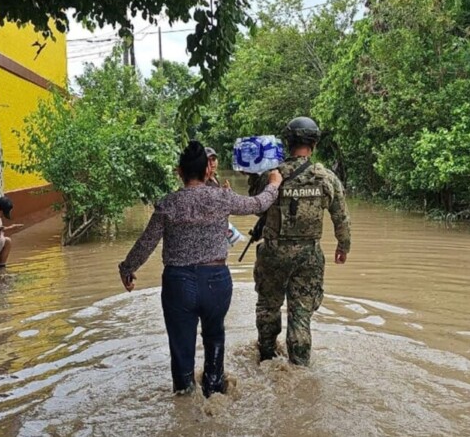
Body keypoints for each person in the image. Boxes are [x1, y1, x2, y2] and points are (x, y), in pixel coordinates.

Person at [118, 141, 283, 397]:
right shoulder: (222, 198)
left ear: (179, 172)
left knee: (181, 346)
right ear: (208, 171)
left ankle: (183, 396)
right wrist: (273, 184)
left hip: (178, 285)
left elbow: (146, 243)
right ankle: (214, 388)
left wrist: (127, 269)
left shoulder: (168, 204)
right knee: (214, 335)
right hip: (216, 282)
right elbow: (258, 204)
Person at [252, 117, 352, 366]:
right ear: (314, 144)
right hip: (308, 256)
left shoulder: (271, 175)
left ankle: (267, 359)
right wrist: (343, 246)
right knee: (301, 316)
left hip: (274, 253)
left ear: (287, 142)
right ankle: (299, 369)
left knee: (268, 308)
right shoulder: (326, 178)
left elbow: (256, 206)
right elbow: (341, 218)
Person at [0, 196, 24, 269]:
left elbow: (0, 232)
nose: (2, 216)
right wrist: (10, 228)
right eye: (2, 214)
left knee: (7, 241)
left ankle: (1, 267)